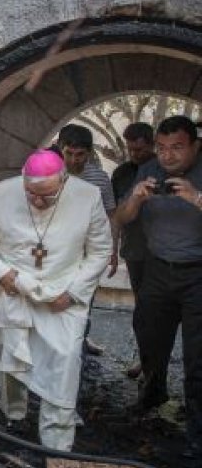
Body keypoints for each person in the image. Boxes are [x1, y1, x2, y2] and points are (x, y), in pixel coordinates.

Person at [0, 149, 112, 451]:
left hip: (64, 297)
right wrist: (1, 273)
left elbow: (100, 250)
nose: (38, 202)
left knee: (65, 363)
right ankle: (14, 417)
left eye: (48, 196)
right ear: (23, 179)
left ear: (64, 181)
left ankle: (57, 440)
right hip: (16, 291)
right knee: (13, 359)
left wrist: (73, 292)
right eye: (31, 194)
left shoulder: (88, 196)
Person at [115, 115, 202, 460]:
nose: (168, 156)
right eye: (162, 148)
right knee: (148, 334)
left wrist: (196, 198)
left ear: (195, 146)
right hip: (158, 268)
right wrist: (136, 199)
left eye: (177, 147)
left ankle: (196, 427)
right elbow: (121, 218)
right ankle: (153, 393)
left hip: (198, 271)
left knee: (198, 354)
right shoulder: (148, 169)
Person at [58, 124, 118, 356]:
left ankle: (80, 341)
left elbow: (111, 214)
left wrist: (113, 250)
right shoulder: (49, 174)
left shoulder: (100, 178)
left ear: (90, 152)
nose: (74, 160)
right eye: (69, 153)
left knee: (83, 299)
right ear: (60, 149)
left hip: (87, 253)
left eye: (80, 154)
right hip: (55, 252)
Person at [111, 122, 155, 379]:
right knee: (142, 309)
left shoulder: (163, 169)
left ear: (151, 144)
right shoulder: (122, 173)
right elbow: (115, 213)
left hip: (163, 252)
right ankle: (145, 360)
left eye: (140, 149)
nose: (135, 154)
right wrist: (113, 248)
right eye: (131, 149)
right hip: (136, 251)